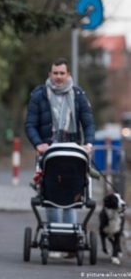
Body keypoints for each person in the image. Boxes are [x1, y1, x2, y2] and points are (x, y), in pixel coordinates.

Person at [24, 57, 95, 258]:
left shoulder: (78, 95)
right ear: (50, 74)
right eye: (55, 73)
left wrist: (88, 145)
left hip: (73, 152)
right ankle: (55, 240)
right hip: (50, 152)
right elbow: (30, 124)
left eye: (62, 73)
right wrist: (38, 144)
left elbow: (89, 123)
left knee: (72, 193)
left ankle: (70, 241)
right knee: (51, 194)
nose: (58, 77)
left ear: (68, 75)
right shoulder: (39, 95)